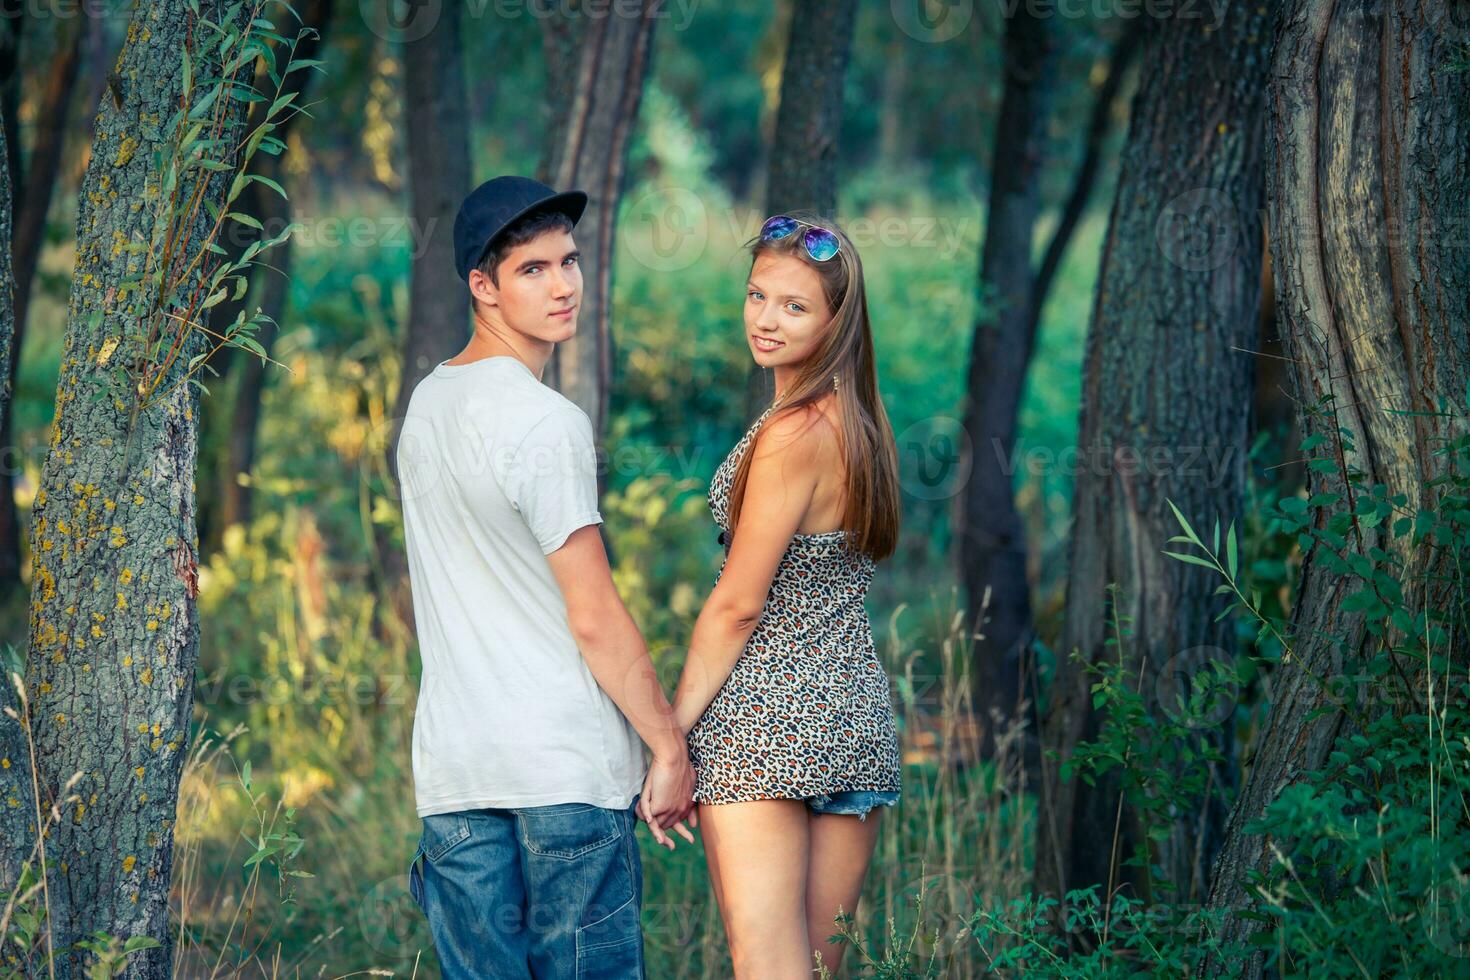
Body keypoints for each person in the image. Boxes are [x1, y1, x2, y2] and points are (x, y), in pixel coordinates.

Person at [395, 175, 695, 979]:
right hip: (562, 770)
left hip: (458, 777)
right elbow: (593, 613)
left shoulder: (426, 405)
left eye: (569, 261)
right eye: (533, 270)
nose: (563, 285)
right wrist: (668, 745)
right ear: (482, 287)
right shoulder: (547, 423)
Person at [670, 212, 905, 977]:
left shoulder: (790, 434)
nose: (766, 320)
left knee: (770, 968)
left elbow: (738, 605)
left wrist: (672, 734)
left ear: (836, 321)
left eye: (795, 306)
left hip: (766, 725)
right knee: (812, 968)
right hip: (855, 720)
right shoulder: (862, 425)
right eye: (757, 296)